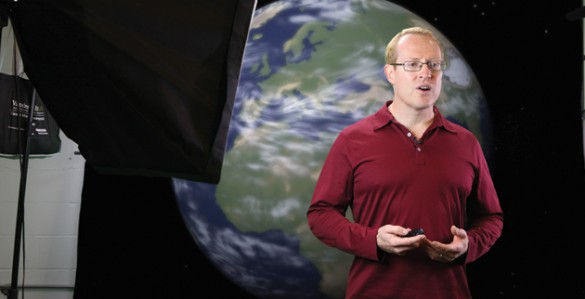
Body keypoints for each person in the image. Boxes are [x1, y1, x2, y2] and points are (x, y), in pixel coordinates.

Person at [306, 26, 504, 299]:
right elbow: (321, 215)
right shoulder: (352, 140)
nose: (426, 73)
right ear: (391, 74)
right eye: (412, 64)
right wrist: (372, 240)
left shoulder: (466, 143)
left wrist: (468, 246)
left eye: (434, 64)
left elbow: (491, 218)